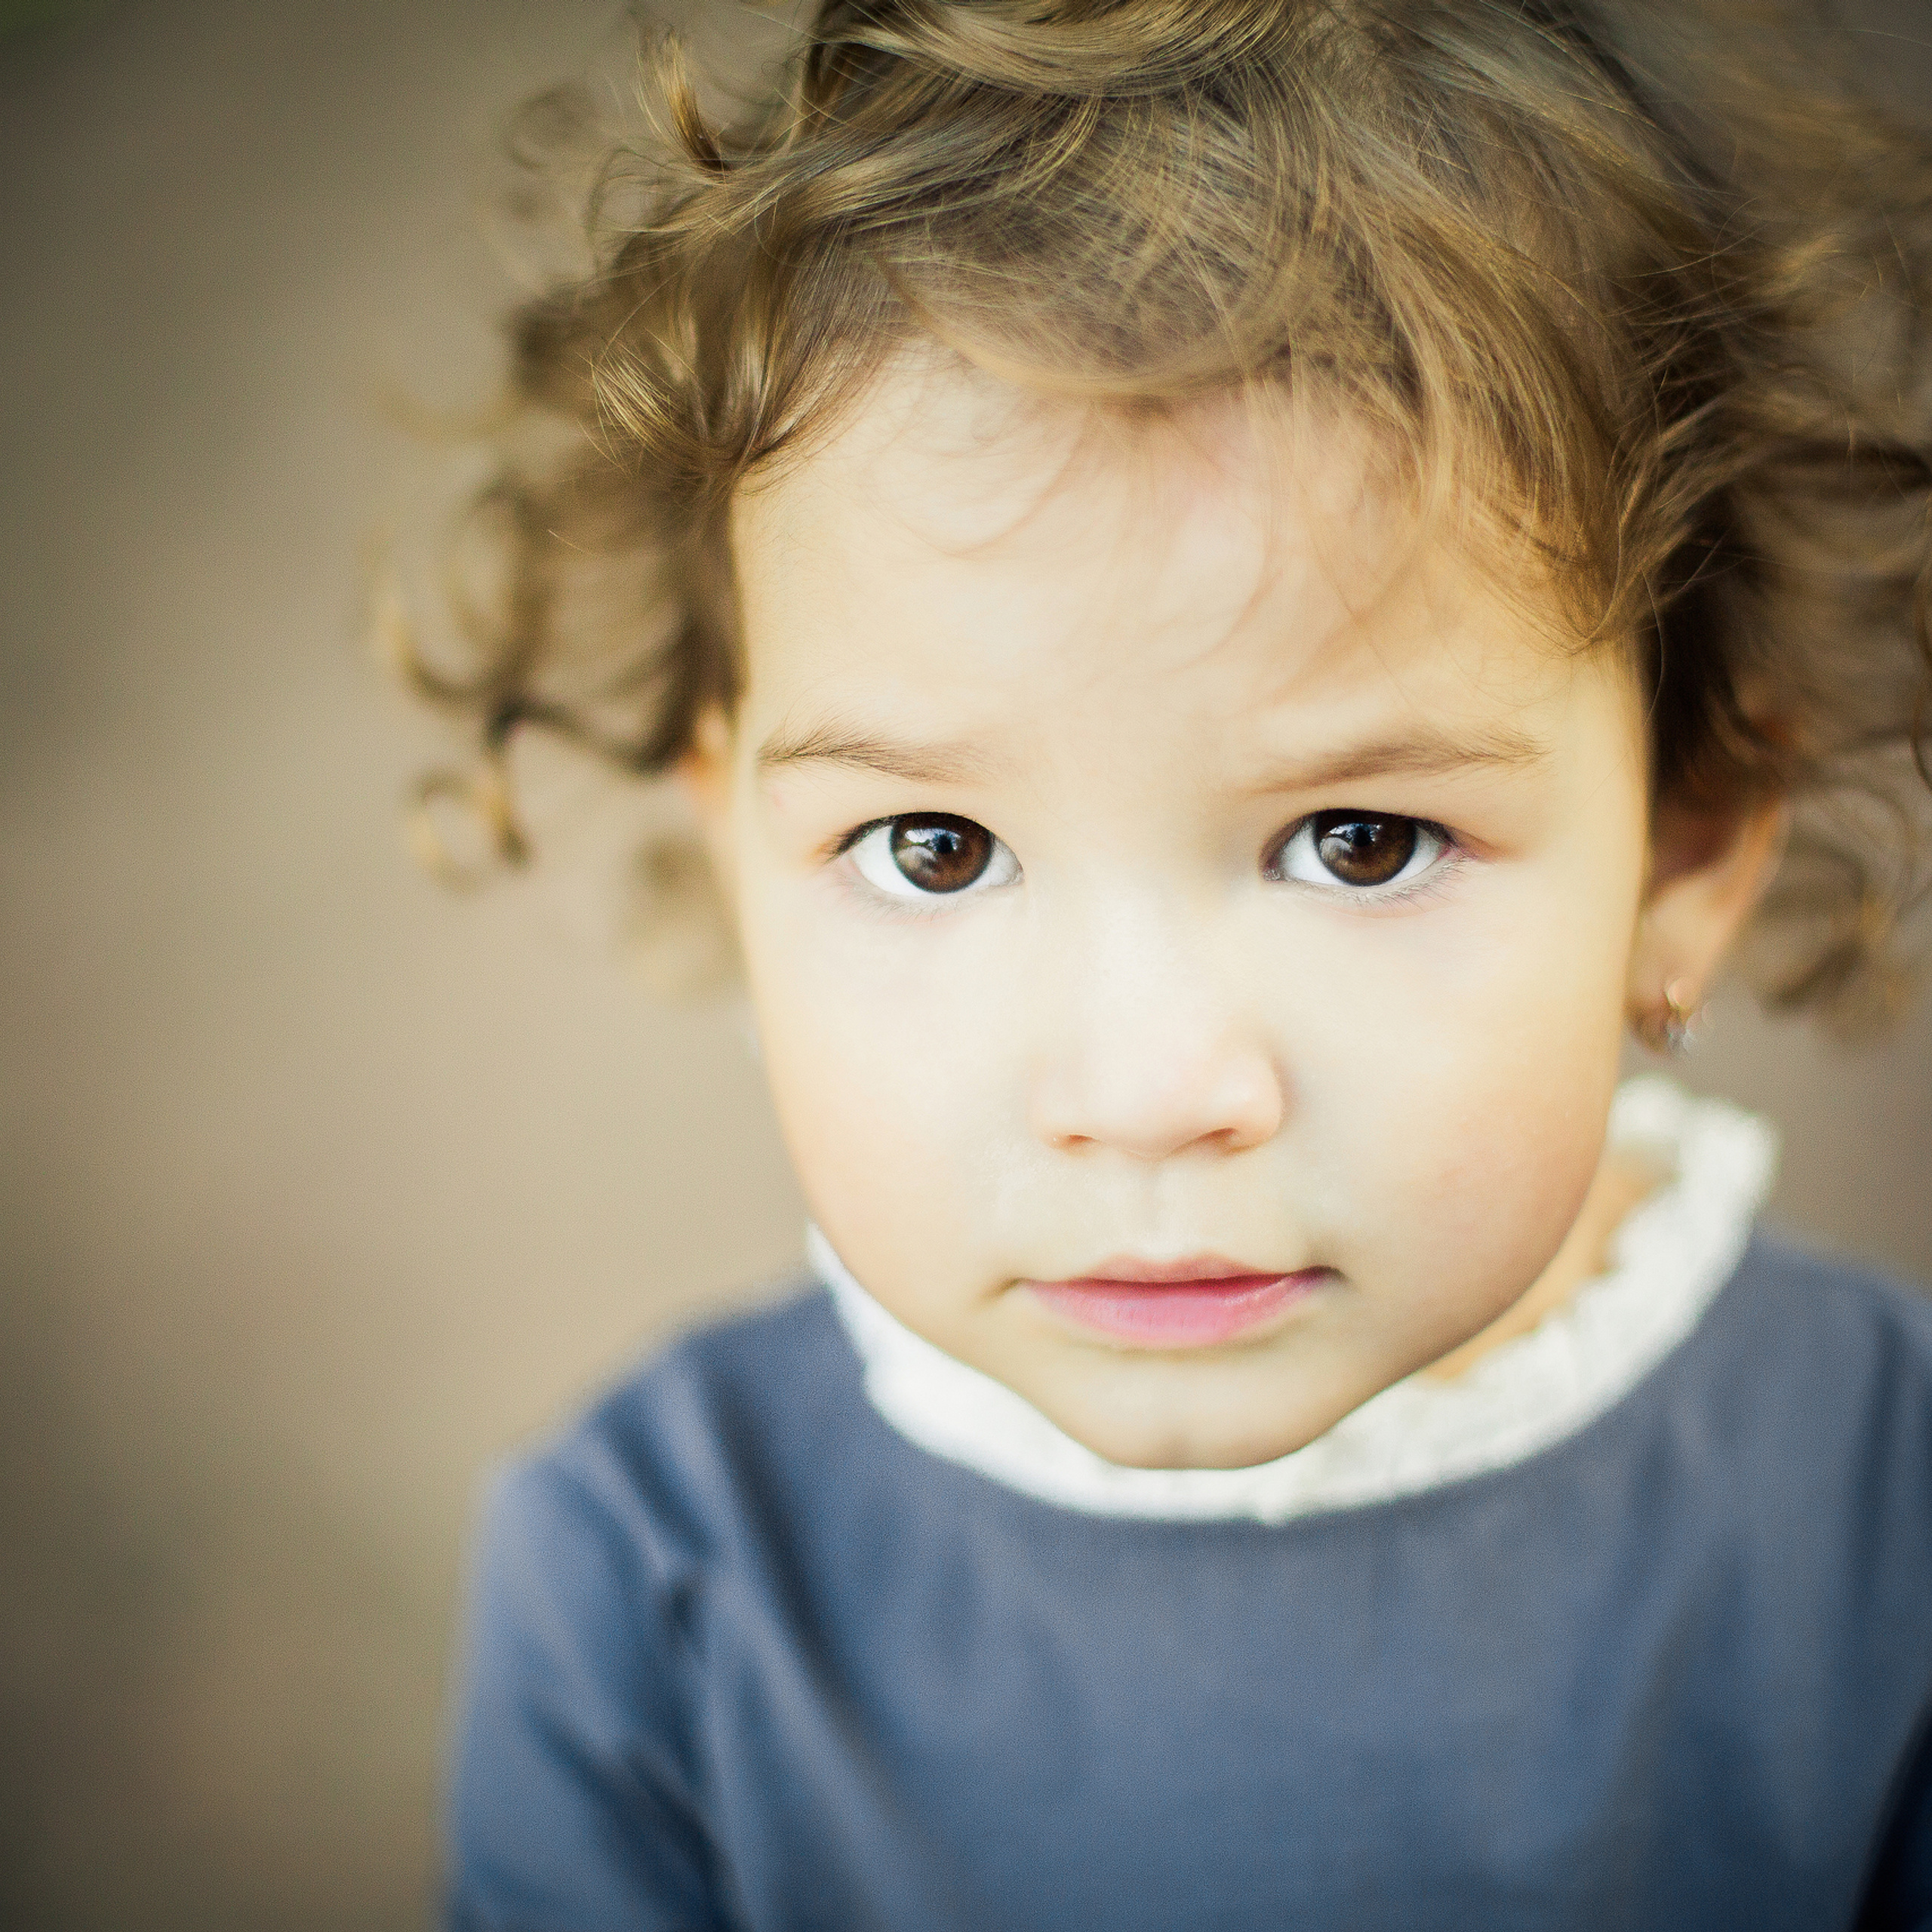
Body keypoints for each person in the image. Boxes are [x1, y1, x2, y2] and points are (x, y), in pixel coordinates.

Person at [424, 2, 1932, 1924]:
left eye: (1360, 841)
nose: (1144, 1089)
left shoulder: (1877, 1506)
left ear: (1685, 849)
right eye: (933, 848)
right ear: (735, 848)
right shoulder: (656, 1575)